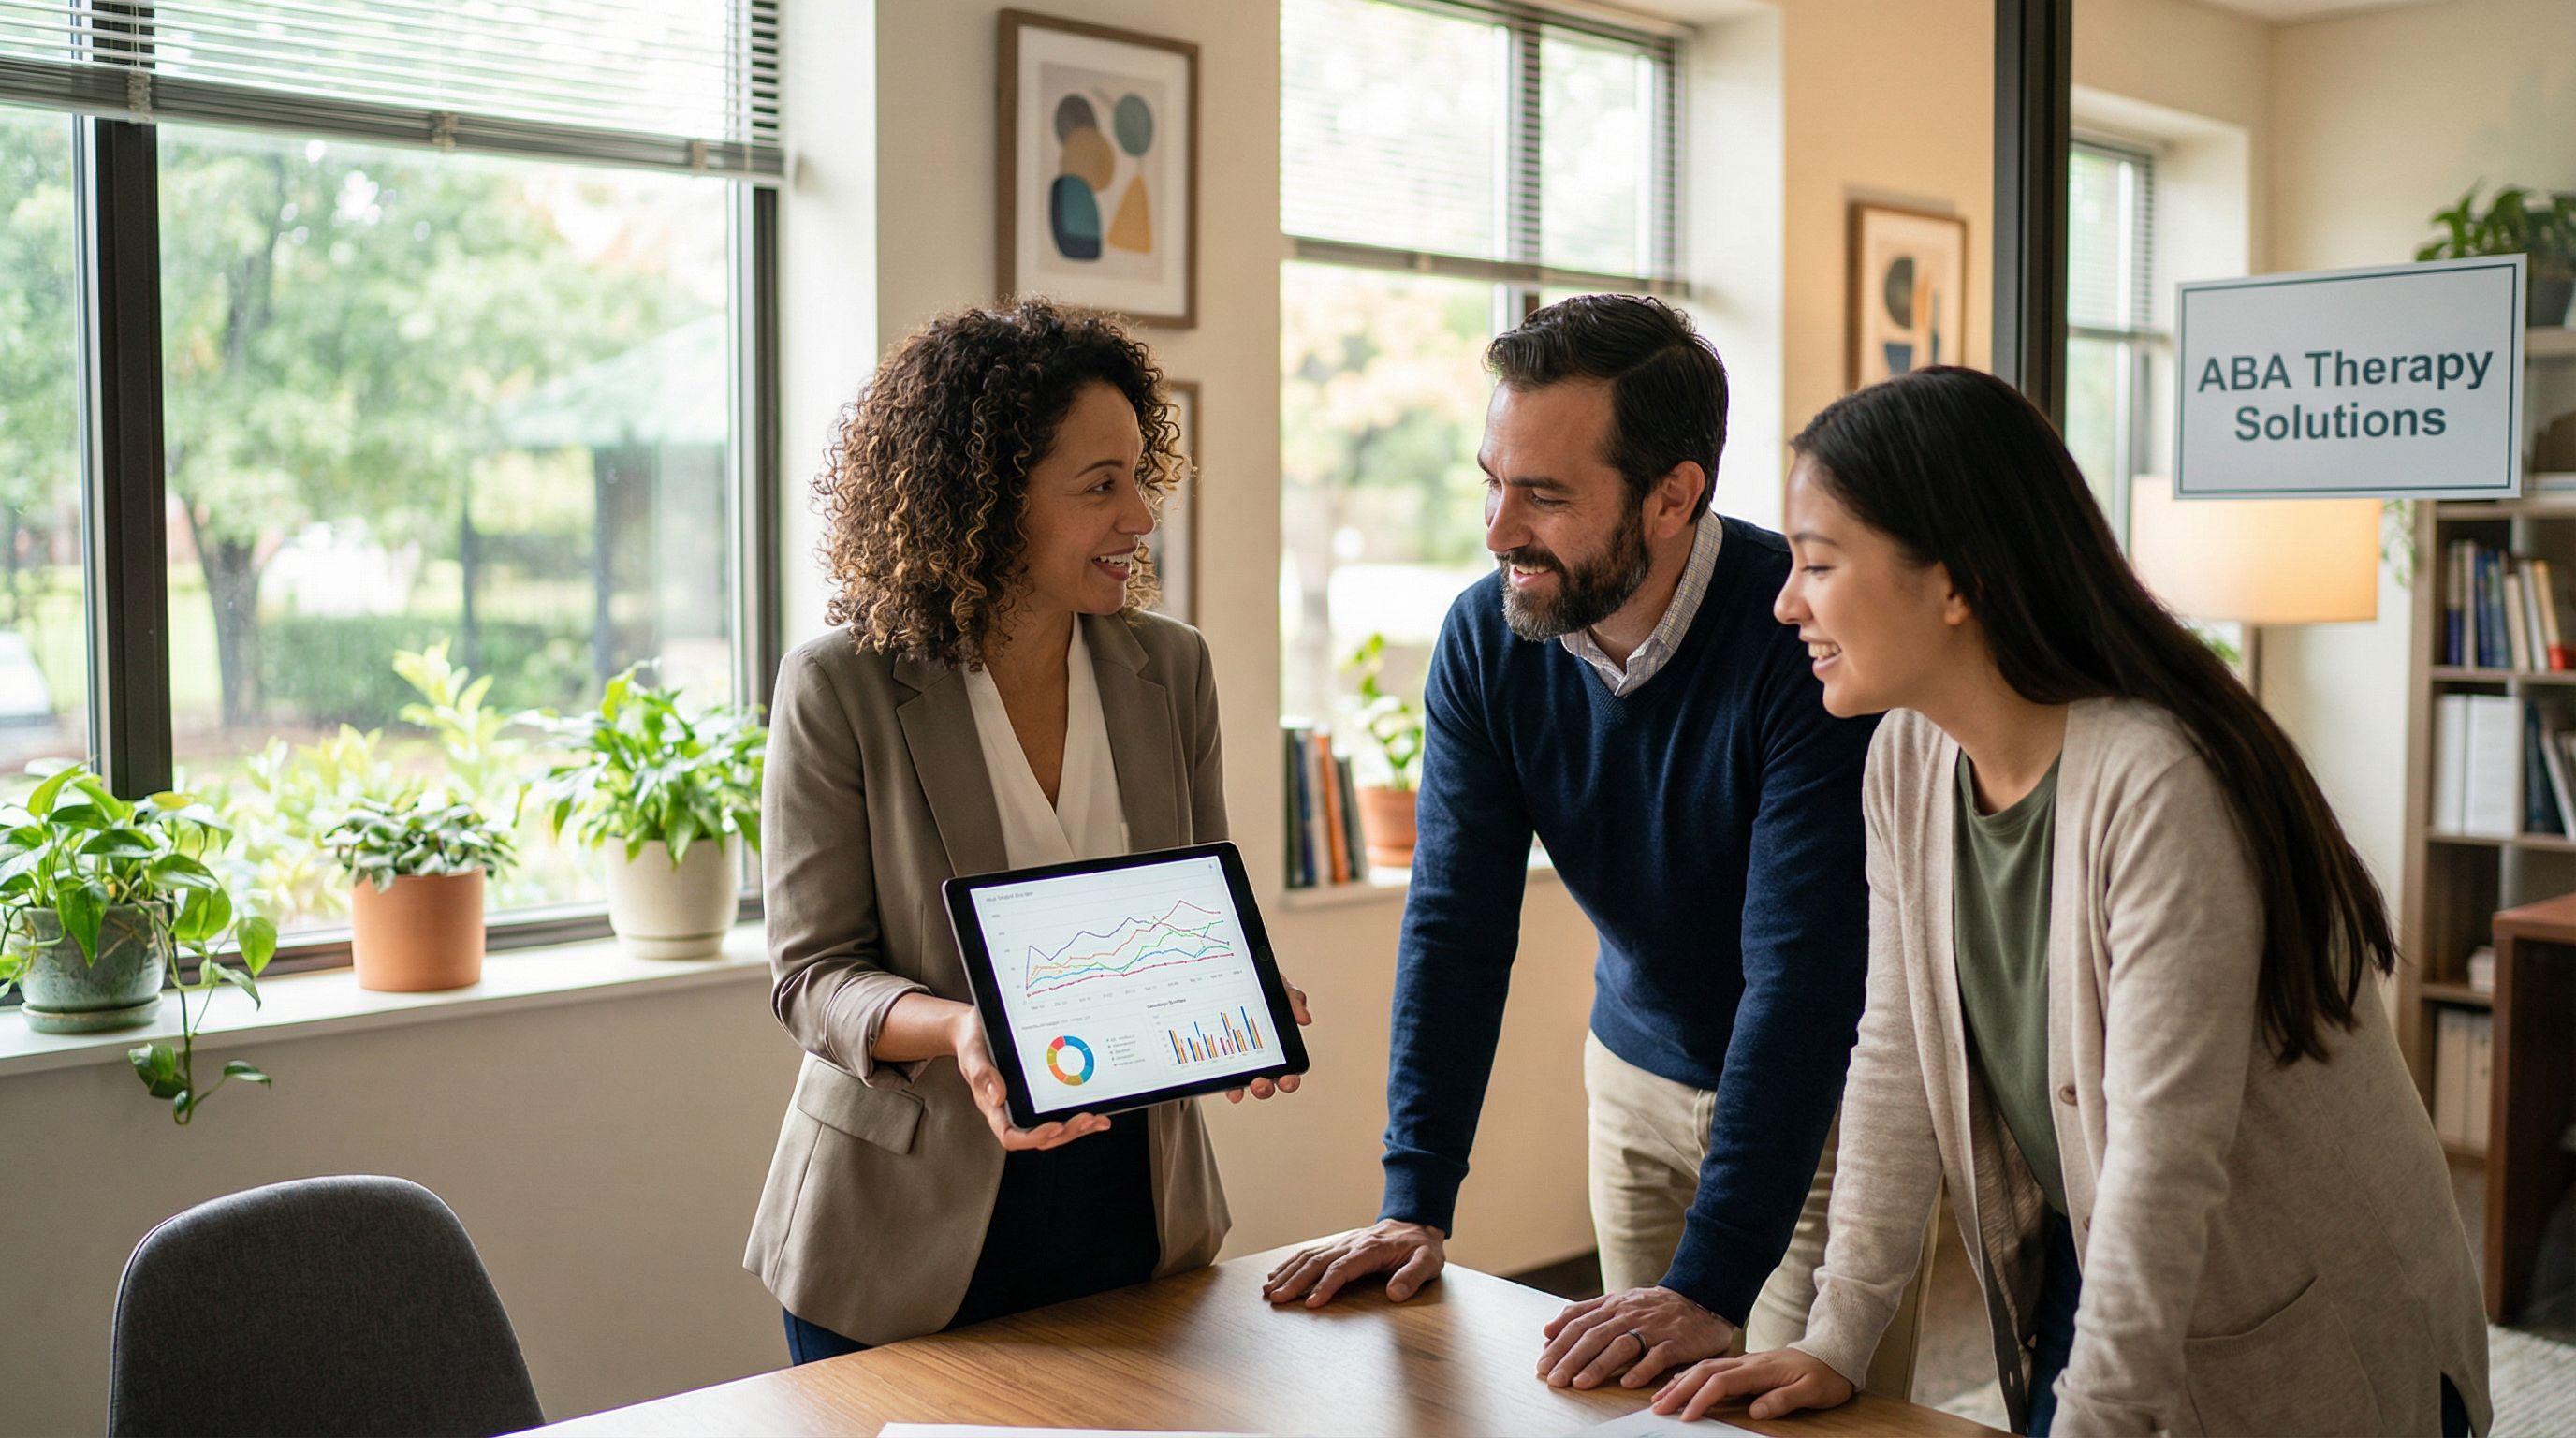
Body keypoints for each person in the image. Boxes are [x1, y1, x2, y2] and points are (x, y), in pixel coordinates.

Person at [1651, 365, 2489, 1436]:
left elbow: (2158, 1156)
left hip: (2303, 1319)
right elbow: (1897, 1054)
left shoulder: (2156, 781)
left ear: (1953, 583)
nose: (1785, 601)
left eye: (1818, 563)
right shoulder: (1905, 760)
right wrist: (1834, 1335)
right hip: (2100, 1268)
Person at [1263, 294, 1896, 1395]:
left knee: (1790, 1418)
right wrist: (1414, 1199)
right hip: (1633, 1077)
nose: (1500, 528)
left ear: (1672, 496)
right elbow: (1456, 923)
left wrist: (1708, 1284)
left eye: (1544, 495)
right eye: (1492, 481)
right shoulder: (1485, 637)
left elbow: (1799, 975)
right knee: (1625, 1404)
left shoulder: (1799, 639)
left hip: (1823, 1103)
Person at [744, 297, 1307, 1362]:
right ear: (987, 501)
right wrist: (961, 1029)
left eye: (1139, 477)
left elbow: (1196, 908)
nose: (1139, 518)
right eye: (1101, 487)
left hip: (1132, 1205)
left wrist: (1241, 993)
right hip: (902, 1230)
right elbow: (812, 976)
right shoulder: (840, 686)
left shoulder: (1171, 669)